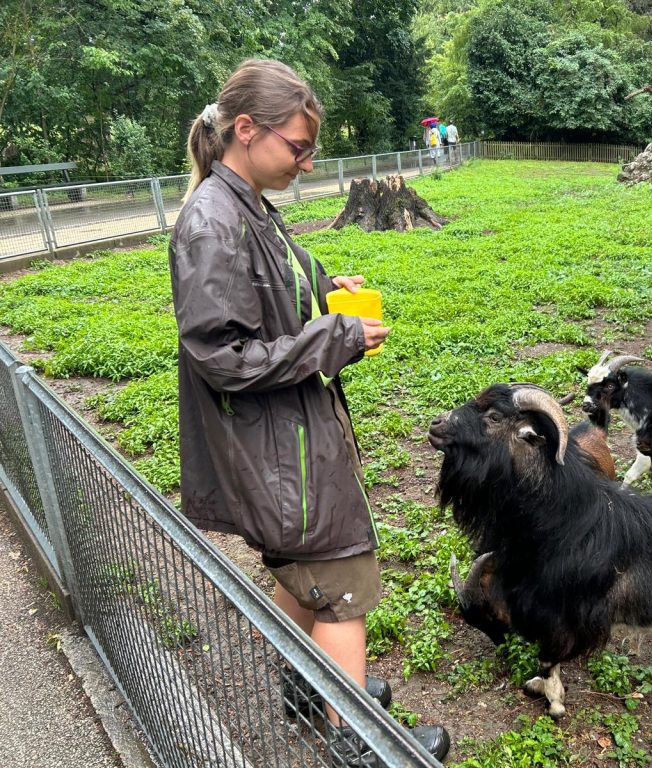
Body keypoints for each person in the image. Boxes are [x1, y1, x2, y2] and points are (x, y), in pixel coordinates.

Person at [169, 59, 450, 766]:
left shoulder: (245, 202)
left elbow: (273, 280)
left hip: (285, 436)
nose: (306, 160)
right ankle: (357, 743)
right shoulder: (212, 222)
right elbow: (222, 355)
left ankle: (307, 684)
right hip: (277, 447)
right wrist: (335, 336)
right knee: (342, 583)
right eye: (297, 146)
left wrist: (326, 289)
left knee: (301, 570)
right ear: (245, 130)